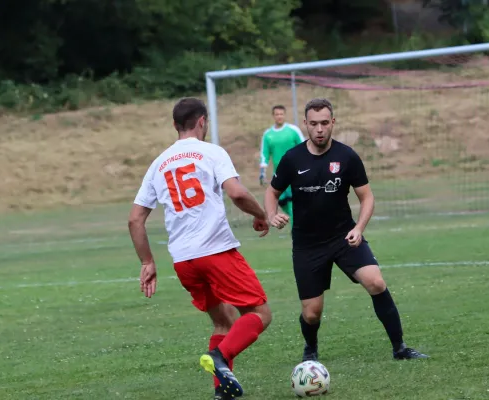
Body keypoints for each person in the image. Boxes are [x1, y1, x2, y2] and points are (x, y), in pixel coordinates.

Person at [128, 97, 272, 400]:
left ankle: (223, 393)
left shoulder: (158, 164)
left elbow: (135, 220)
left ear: (175, 125)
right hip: (215, 251)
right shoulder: (211, 152)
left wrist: (147, 262)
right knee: (259, 312)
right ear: (202, 122)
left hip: (183, 261)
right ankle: (220, 356)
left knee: (223, 320)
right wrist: (261, 215)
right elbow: (237, 193)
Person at [264, 98, 428, 362]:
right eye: (314, 124)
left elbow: (367, 197)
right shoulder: (292, 159)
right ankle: (311, 349)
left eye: (325, 123)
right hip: (308, 245)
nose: (319, 129)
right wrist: (272, 215)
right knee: (312, 313)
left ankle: (400, 348)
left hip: (344, 237)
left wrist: (359, 228)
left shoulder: (347, 156)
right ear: (306, 124)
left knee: (376, 282)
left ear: (333, 123)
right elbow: (272, 192)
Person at [259, 105, 305, 225]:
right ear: (273, 116)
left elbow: (305, 147)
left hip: (295, 172)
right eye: (277, 114)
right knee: (282, 201)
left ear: (284, 115)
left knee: (293, 201)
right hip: (278, 174)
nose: (279, 116)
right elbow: (264, 154)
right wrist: (262, 172)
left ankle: (296, 228)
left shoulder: (293, 130)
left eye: (281, 114)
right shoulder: (268, 134)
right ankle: (299, 222)